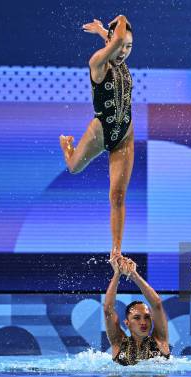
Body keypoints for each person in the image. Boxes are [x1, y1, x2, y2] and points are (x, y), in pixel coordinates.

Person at [59, 15, 134, 264]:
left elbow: (117, 40)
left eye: (129, 48)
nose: (124, 52)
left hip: (124, 132)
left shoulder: (117, 52)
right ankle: (67, 148)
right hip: (101, 130)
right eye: (121, 46)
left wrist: (104, 30)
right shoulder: (98, 61)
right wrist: (119, 20)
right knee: (73, 167)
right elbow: (117, 39)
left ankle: (116, 250)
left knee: (118, 195)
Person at [103, 257, 170, 365]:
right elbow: (107, 309)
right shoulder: (118, 343)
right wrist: (117, 274)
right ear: (127, 323)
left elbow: (157, 304)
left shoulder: (160, 341)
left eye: (147, 317)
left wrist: (134, 275)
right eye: (137, 318)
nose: (143, 322)